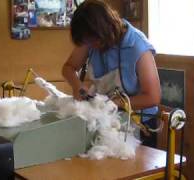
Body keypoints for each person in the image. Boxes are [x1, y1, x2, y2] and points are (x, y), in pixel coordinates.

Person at [62, 0, 161, 148]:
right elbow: (68, 67)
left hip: (138, 124)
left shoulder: (137, 46)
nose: (90, 46)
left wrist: (114, 103)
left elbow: (153, 97)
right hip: (107, 119)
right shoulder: (91, 40)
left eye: (92, 41)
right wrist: (77, 85)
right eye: (87, 42)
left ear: (104, 31)